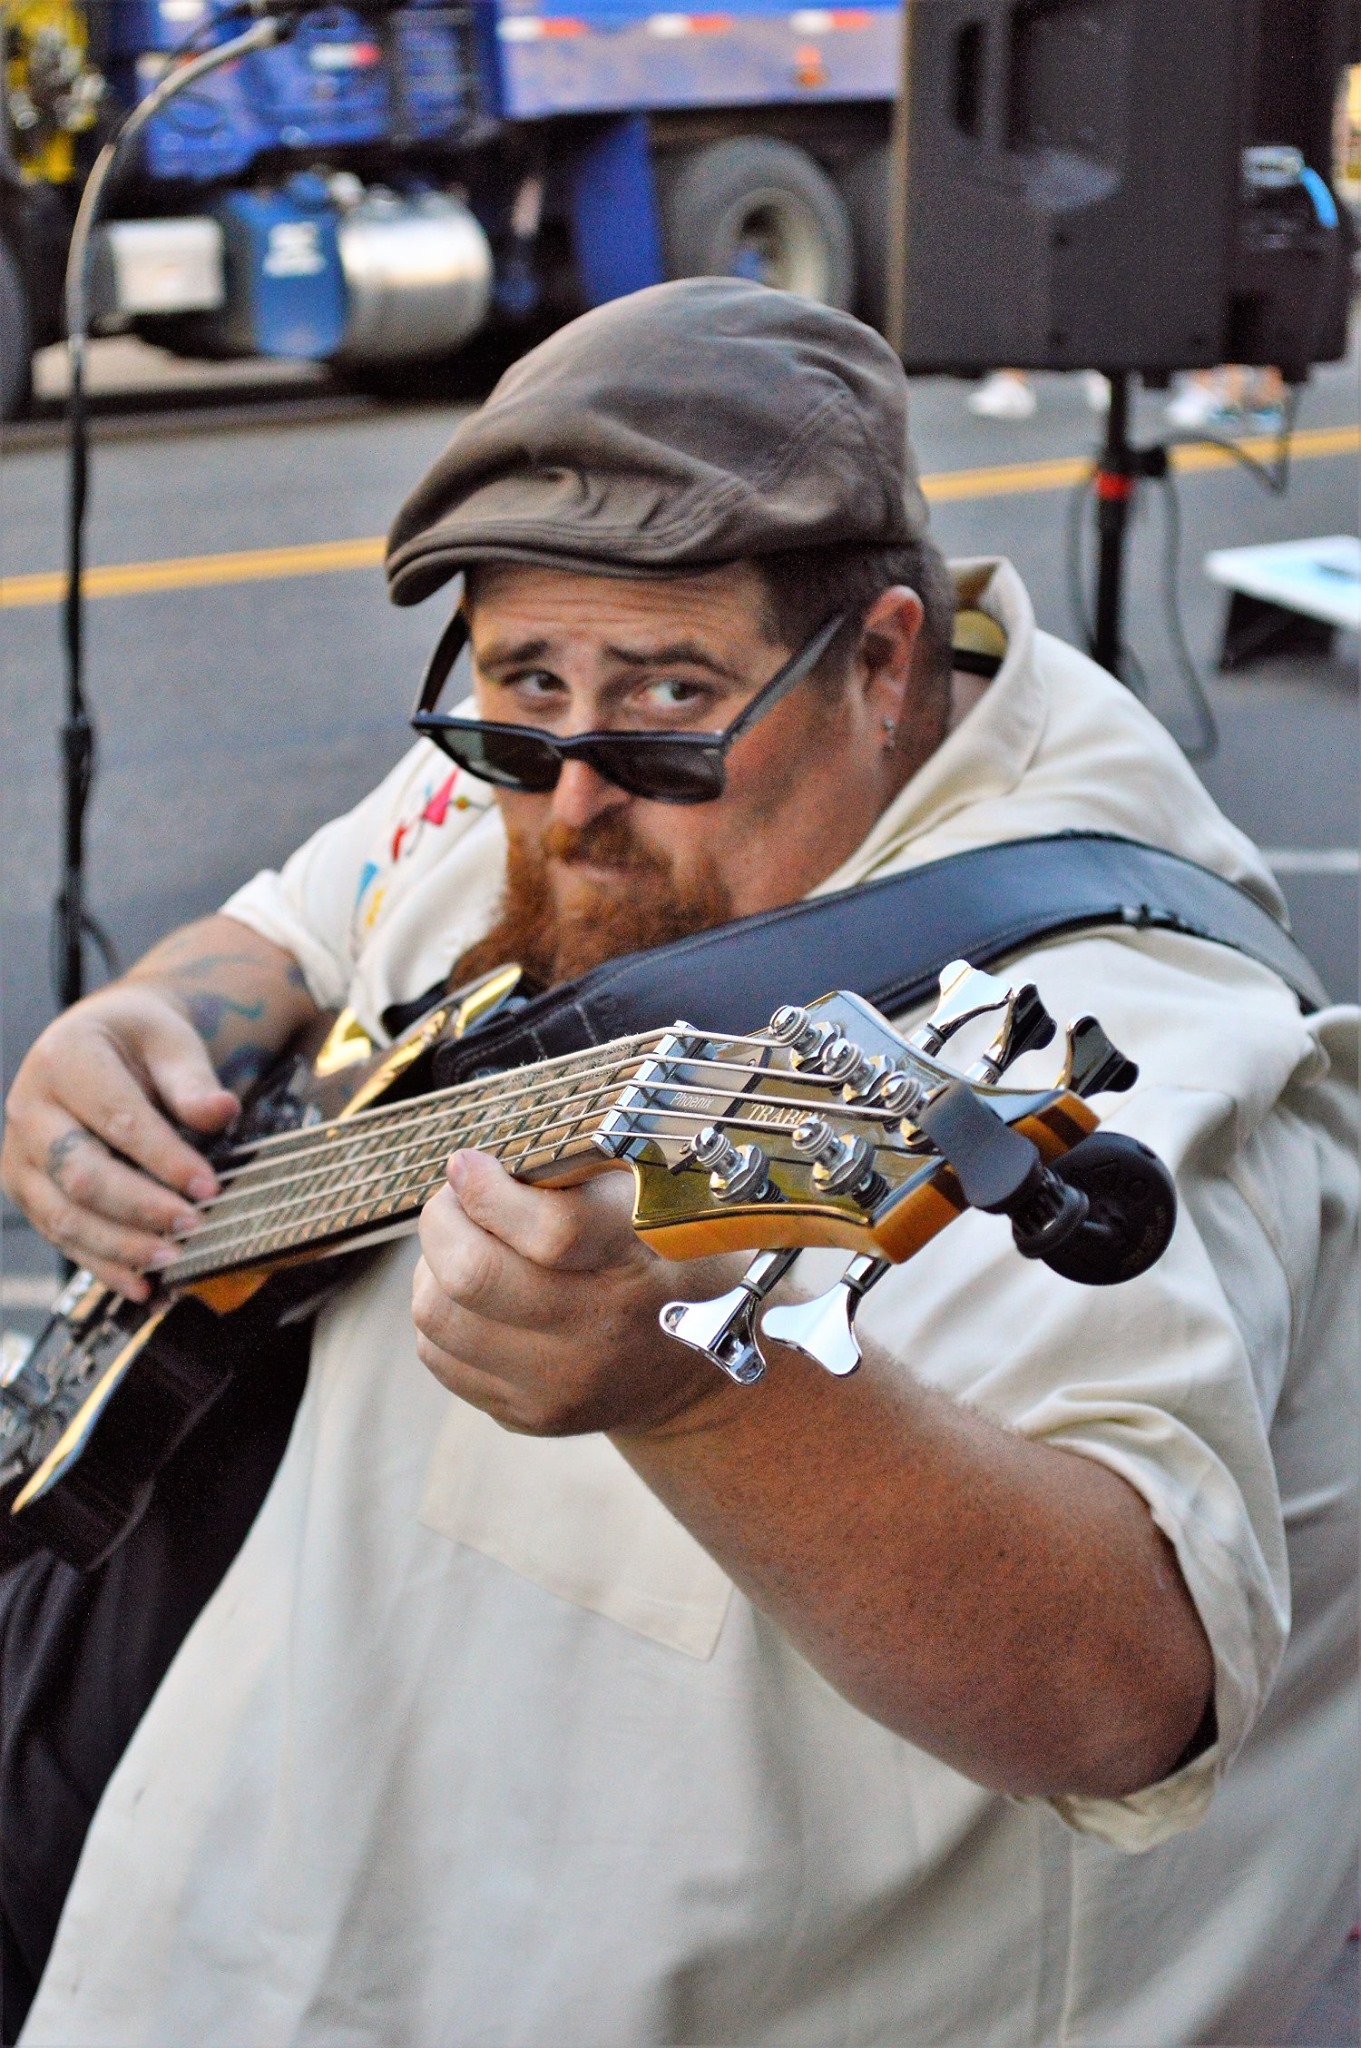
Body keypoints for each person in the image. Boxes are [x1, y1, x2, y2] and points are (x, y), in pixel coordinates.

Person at [1, 279, 1356, 2048]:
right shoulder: (577, 756)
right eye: (515, 700)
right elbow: (294, 921)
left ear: (881, 659)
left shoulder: (1123, 1029)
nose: (569, 799)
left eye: (662, 707)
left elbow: (1122, 1691)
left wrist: (706, 1404)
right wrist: (132, 1032)